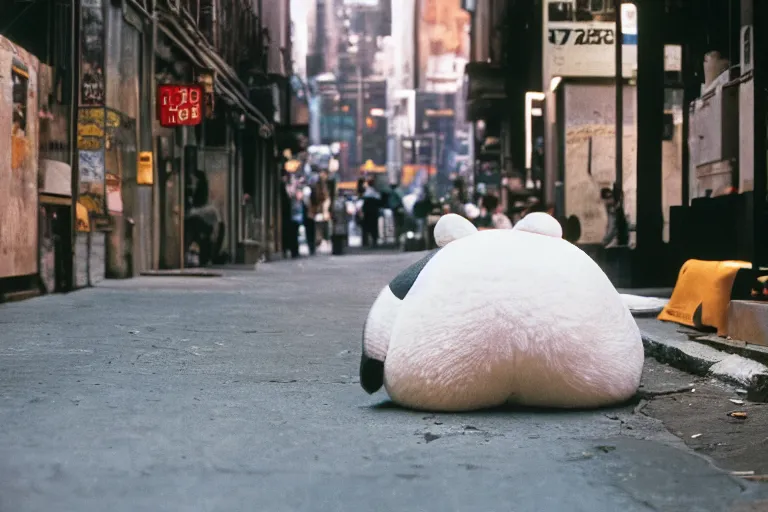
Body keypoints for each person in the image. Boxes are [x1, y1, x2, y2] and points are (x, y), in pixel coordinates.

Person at [361, 178, 382, 248]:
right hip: (373, 212)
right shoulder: (374, 192)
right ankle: (373, 241)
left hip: (368, 213)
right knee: (373, 227)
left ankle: (367, 241)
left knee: (367, 227)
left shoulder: (367, 192)